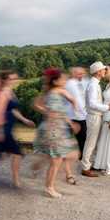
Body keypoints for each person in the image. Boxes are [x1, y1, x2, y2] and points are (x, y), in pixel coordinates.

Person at [0, 70, 35, 188]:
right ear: (4, 80)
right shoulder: (2, 93)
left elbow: (13, 110)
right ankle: (16, 181)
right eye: (11, 79)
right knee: (17, 153)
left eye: (15, 78)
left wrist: (24, 120)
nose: (14, 81)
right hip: (3, 126)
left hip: (8, 126)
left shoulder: (9, 91)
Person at [33, 68, 79, 198]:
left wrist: (70, 123)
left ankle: (38, 165)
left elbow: (60, 111)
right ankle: (49, 187)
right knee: (57, 159)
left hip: (56, 128)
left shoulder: (52, 92)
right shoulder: (54, 92)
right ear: (56, 81)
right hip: (52, 129)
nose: (65, 80)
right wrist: (47, 113)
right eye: (63, 79)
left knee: (67, 155)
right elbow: (38, 105)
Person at [81, 61, 110, 177]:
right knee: (90, 142)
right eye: (103, 69)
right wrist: (108, 107)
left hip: (96, 116)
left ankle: (89, 164)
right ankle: (85, 168)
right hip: (94, 117)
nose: (105, 71)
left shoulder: (95, 84)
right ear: (98, 72)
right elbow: (92, 104)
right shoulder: (93, 85)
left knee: (93, 142)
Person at [65, 67, 89, 159]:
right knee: (77, 138)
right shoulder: (69, 84)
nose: (82, 75)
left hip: (82, 115)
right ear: (73, 73)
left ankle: (81, 156)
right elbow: (76, 101)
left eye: (83, 73)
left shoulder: (83, 82)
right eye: (79, 73)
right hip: (73, 116)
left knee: (82, 138)